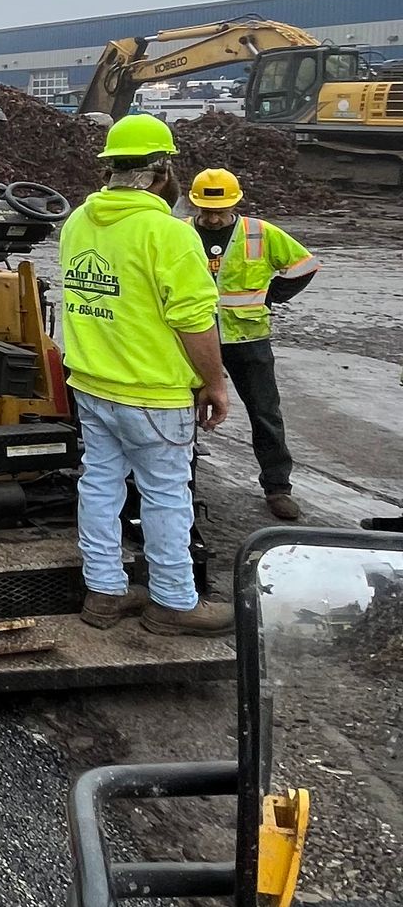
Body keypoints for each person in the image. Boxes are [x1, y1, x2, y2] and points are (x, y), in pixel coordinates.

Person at [59, 113, 233, 639]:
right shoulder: (168, 233)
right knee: (164, 495)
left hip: (91, 385)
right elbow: (193, 320)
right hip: (152, 393)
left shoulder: (78, 223)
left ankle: (104, 593)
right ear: (162, 173)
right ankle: (174, 602)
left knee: (100, 486)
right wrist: (215, 382)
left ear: (110, 167)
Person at [185, 167, 319, 524]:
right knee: (180, 413)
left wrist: (272, 296)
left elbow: (305, 264)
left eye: (220, 210)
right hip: (194, 337)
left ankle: (277, 487)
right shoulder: (180, 232)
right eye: (207, 210)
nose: (213, 218)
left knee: (265, 412)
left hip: (247, 338)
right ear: (195, 203)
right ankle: (182, 483)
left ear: (236, 203)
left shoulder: (259, 232)